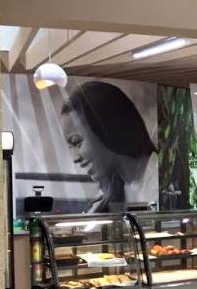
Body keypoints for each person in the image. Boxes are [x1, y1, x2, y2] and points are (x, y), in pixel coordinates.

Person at [61, 81, 157, 212]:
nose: (75, 158)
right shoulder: (112, 190)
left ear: (106, 127)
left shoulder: (161, 184)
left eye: (77, 142)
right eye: (70, 147)